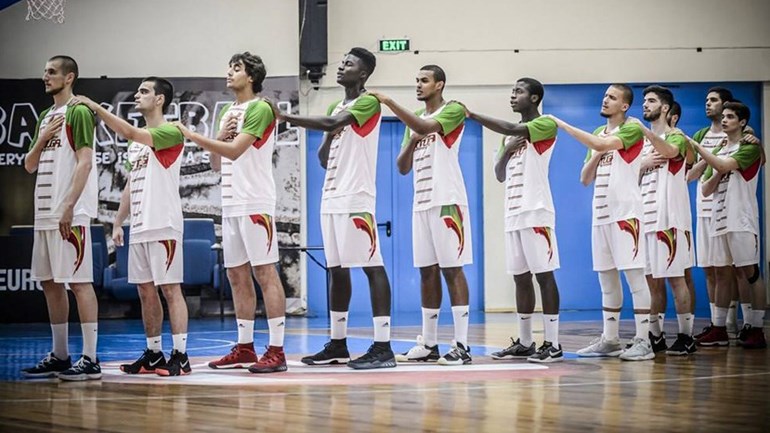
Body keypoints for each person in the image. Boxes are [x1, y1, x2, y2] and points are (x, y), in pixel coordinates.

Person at [269, 47, 396, 369]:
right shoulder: (338, 105)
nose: (341, 68)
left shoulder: (368, 102)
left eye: (348, 64)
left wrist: (285, 117)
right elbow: (324, 158)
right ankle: (338, 343)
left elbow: (329, 123)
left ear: (363, 74)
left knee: (372, 265)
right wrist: (331, 133)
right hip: (332, 195)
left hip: (356, 196)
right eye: (341, 63)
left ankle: (383, 347)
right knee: (337, 269)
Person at [175, 52, 288, 373]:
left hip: (255, 202)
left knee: (264, 273)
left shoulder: (261, 107)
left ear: (251, 76)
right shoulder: (229, 111)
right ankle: (244, 347)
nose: (229, 73)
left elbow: (237, 151)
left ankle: (277, 351)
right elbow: (218, 162)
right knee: (236, 275)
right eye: (229, 67)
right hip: (231, 202)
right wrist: (216, 139)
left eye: (236, 68)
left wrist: (194, 136)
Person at [73, 78, 191, 376]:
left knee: (170, 289)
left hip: (163, 223)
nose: (137, 95)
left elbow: (128, 130)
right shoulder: (135, 146)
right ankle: (153, 353)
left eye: (144, 91)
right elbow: (130, 183)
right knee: (144, 291)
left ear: (160, 99)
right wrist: (118, 221)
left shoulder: (170, 131)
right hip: (139, 226)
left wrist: (94, 105)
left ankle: (181, 355)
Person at [368, 65, 474, 365]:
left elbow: (428, 129)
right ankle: (429, 344)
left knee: (452, 269)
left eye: (424, 81)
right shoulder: (414, 122)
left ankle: (462, 346)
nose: (418, 85)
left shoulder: (452, 110)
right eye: (416, 80)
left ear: (439, 85)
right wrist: (412, 141)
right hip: (422, 203)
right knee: (426, 271)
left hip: (447, 200)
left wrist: (389, 103)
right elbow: (403, 167)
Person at [549, 84, 654, 361]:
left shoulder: (632, 128)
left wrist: (562, 124)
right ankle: (610, 340)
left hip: (626, 214)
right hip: (602, 214)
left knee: (634, 277)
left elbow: (603, 145)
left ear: (625, 106)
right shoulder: (599, 133)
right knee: (607, 279)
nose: (606, 100)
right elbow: (585, 178)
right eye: (605, 96)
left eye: (612, 97)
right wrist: (597, 150)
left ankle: (644, 341)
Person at [463, 78, 563, 363]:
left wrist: (473, 115)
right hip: (513, 213)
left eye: (519, 91)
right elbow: (499, 173)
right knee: (520, 278)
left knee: (544, 275)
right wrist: (507, 150)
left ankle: (553, 343)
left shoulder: (546, 124)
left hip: (537, 211)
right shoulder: (508, 138)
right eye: (512, 91)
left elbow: (512, 128)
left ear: (534, 98)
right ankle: (526, 341)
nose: (513, 95)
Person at [21, 55, 101, 381]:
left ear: (70, 78)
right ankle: (60, 355)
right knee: (50, 283)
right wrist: (41, 137)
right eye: (44, 72)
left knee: (79, 283)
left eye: (52, 72)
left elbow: (85, 162)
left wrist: (69, 204)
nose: (45, 77)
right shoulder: (45, 116)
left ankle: (91, 358)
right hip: (44, 213)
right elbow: (28, 165)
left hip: (70, 213)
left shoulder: (78, 112)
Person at [693, 101, 766, 349]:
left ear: (742, 123)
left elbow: (725, 166)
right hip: (718, 218)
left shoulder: (750, 148)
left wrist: (696, 147)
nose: (724, 120)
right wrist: (716, 169)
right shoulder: (722, 149)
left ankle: (756, 328)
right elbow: (705, 188)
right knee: (722, 273)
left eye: (730, 117)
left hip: (740, 219)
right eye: (723, 116)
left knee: (750, 273)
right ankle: (719, 328)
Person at [634, 86, 695, 356]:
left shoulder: (677, 136)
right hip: (645, 217)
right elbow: (632, 177)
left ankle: (686, 336)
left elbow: (671, 152)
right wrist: (641, 163)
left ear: (666, 108)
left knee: (675, 279)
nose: (645, 105)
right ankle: (655, 336)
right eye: (644, 100)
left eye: (651, 101)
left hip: (669, 218)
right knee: (651, 281)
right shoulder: (643, 146)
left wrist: (644, 131)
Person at [685, 87, 741, 337]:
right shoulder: (701, 135)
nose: (708, 104)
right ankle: (716, 322)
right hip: (704, 208)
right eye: (706, 100)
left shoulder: (742, 134)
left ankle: (732, 321)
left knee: (729, 268)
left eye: (713, 100)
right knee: (709, 268)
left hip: (728, 208)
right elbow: (691, 174)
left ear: (726, 104)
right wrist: (708, 157)